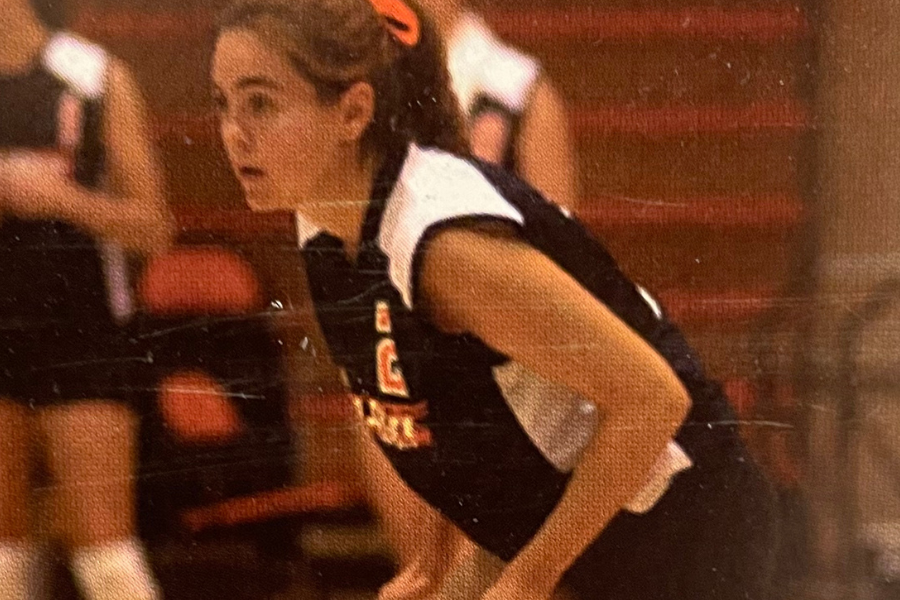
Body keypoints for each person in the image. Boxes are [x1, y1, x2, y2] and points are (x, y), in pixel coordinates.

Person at [211, 0, 777, 598]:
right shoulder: (325, 224)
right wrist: (433, 562)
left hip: (686, 530)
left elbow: (654, 400)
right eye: (222, 102)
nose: (233, 132)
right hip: (565, 521)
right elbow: (438, 412)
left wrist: (529, 580)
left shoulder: (446, 247)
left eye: (261, 104)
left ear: (353, 111)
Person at [360, 2, 580, 597]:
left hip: (502, 378)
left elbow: (560, 254)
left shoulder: (516, 88)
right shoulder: (363, 76)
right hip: (400, 361)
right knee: (429, 578)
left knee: (499, 578)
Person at [0, 0, 171, 598]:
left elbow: (154, 227)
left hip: (81, 333)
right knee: (5, 555)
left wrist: (56, 199)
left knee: (105, 554)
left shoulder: (94, 76)